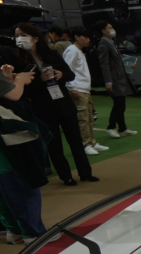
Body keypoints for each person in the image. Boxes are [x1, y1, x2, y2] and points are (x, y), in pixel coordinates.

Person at [15, 23, 96, 184]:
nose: (19, 39)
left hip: (63, 102)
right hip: (42, 105)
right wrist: (40, 79)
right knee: (54, 144)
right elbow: (23, 88)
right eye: (17, 36)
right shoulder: (18, 60)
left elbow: (70, 74)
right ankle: (66, 176)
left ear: (35, 38)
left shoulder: (51, 54)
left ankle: (85, 173)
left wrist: (61, 75)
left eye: (23, 35)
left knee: (75, 140)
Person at [0, 40, 46, 244]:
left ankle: (15, 230)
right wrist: (20, 79)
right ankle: (33, 232)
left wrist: (5, 79)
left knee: (0, 189)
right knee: (19, 184)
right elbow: (12, 94)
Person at [63, 26, 107, 156]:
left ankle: (92, 142)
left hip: (85, 89)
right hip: (78, 89)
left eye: (89, 37)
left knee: (89, 117)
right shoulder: (72, 50)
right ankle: (85, 144)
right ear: (76, 37)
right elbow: (68, 69)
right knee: (82, 119)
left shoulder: (79, 51)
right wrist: (72, 87)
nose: (88, 40)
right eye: (85, 37)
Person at [94, 21, 138, 140]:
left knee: (120, 104)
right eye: (110, 27)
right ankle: (111, 127)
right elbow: (104, 65)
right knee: (119, 105)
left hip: (119, 79)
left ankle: (122, 128)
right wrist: (108, 81)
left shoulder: (111, 43)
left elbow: (116, 62)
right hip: (114, 80)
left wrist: (129, 66)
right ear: (103, 31)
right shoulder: (103, 45)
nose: (113, 29)